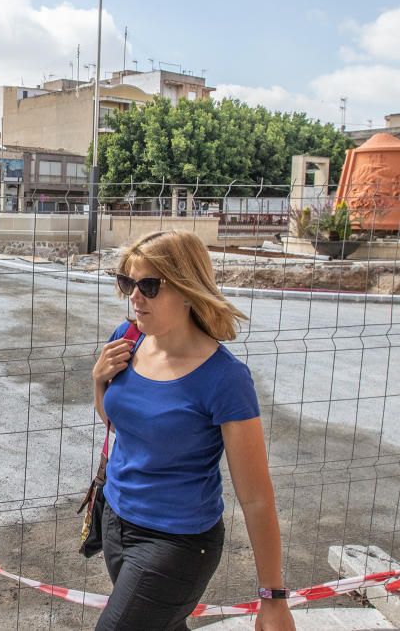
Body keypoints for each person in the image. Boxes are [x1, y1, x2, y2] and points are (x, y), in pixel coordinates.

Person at [91, 230, 295, 631]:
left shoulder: (225, 379)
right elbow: (122, 426)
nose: (134, 296)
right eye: (127, 282)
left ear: (188, 290)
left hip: (177, 544)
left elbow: (255, 498)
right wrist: (98, 381)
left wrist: (272, 599)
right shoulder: (127, 339)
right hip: (115, 522)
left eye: (149, 285)